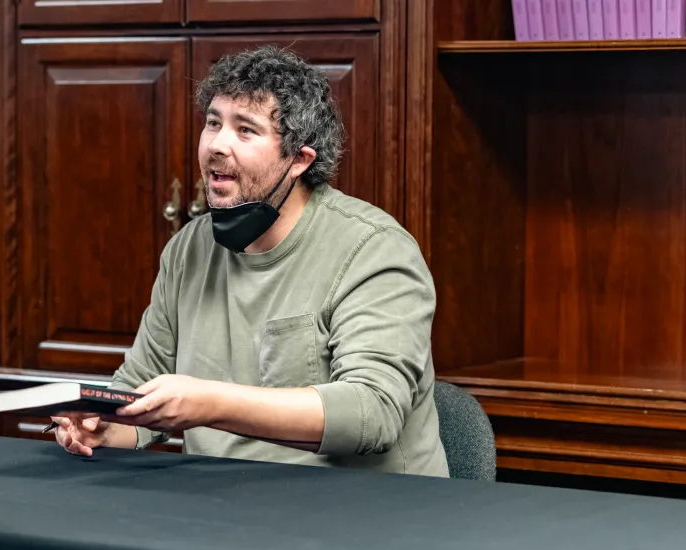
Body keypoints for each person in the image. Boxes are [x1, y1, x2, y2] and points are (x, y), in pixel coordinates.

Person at [51, 46, 449, 478]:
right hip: (225, 507)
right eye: (213, 123)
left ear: (299, 159)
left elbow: (371, 414)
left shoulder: (375, 250)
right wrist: (104, 426)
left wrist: (208, 403)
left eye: (245, 130)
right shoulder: (189, 249)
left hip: (368, 518)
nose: (217, 145)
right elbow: (140, 390)